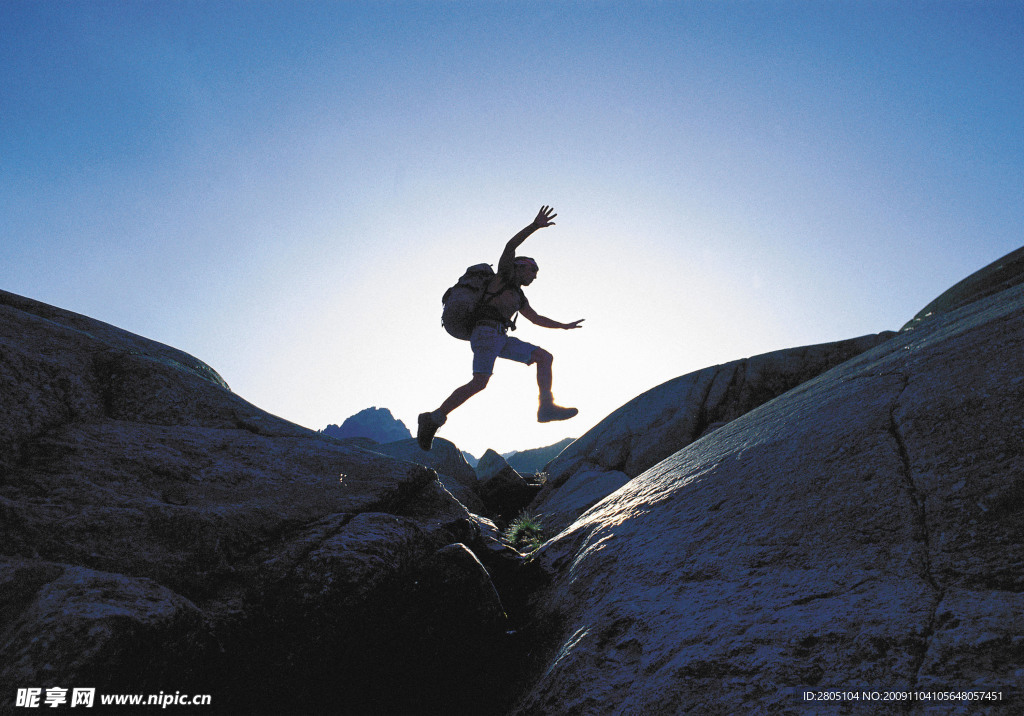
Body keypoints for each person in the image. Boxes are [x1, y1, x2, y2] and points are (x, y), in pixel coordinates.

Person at [417, 205, 584, 450]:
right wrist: (534, 226)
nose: (535, 275)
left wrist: (564, 326)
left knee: (544, 357)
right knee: (480, 382)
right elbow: (509, 247)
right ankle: (433, 418)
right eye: (532, 269)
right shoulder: (504, 276)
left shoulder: (518, 296)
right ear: (518, 266)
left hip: (500, 337)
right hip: (484, 332)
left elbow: (536, 319)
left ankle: (546, 406)